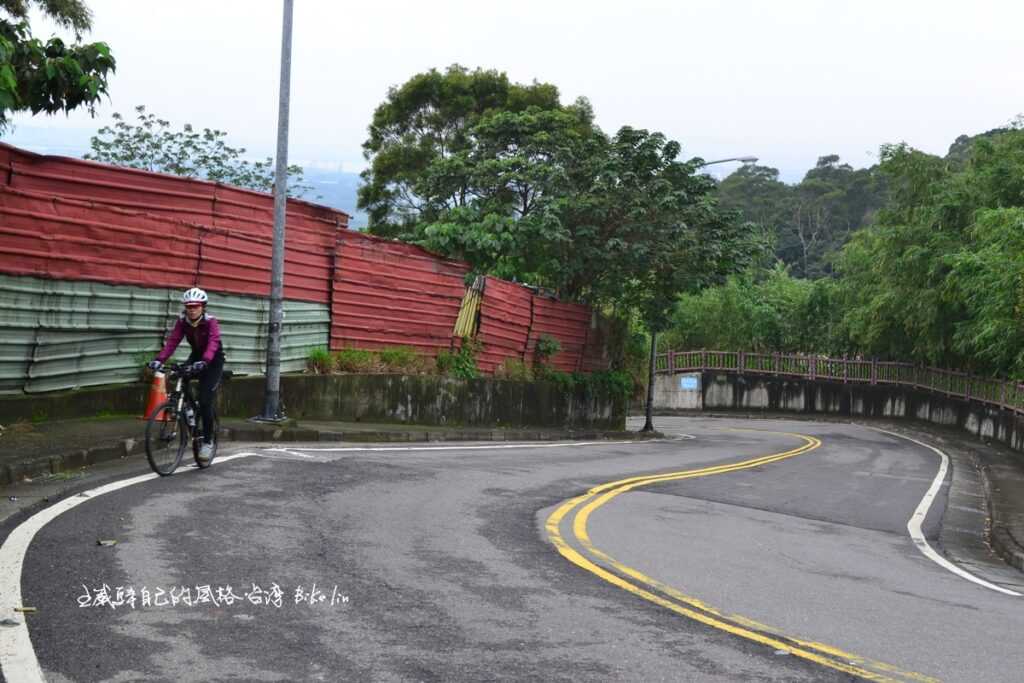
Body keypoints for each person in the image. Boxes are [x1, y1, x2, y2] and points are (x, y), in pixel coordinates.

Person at [147, 287, 225, 463]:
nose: (191, 309)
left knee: (205, 401)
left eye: (195, 306)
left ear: (202, 307)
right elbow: (173, 342)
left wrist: (204, 361)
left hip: (213, 361)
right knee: (178, 376)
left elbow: (213, 343)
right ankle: (188, 409)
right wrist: (159, 360)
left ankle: (207, 441)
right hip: (196, 357)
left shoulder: (211, 321)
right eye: (188, 306)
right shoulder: (182, 322)